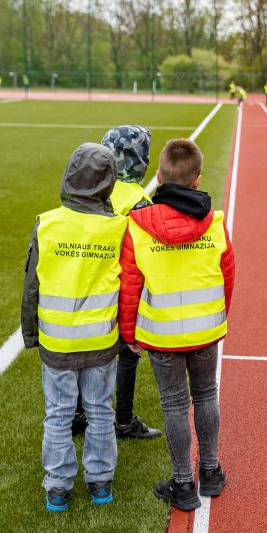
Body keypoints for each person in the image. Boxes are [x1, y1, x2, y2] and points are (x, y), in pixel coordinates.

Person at [118, 138, 235, 511]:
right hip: (206, 330)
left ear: (158, 177)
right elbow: (227, 277)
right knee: (205, 394)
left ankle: (183, 484)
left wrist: (128, 333)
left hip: (161, 333)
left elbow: (129, 285)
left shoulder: (136, 226)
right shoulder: (214, 222)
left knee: (173, 404)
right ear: (197, 180)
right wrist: (219, 316)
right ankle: (211, 471)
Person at [21, 143, 128, 512]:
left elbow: (31, 282)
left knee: (59, 413)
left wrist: (30, 331)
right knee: (100, 409)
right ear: (109, 181)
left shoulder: (47, 222)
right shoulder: (117, 226)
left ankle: (58, 486)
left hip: (58, 340)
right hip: (101, 338)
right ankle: (100, 482)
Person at [101, 125, 163, 441]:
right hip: (125, 288)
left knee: (92, 355)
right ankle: (123, 421)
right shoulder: (140, 200)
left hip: (93, 282)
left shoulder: (97, 190)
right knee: (127, 353)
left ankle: (79, 414)